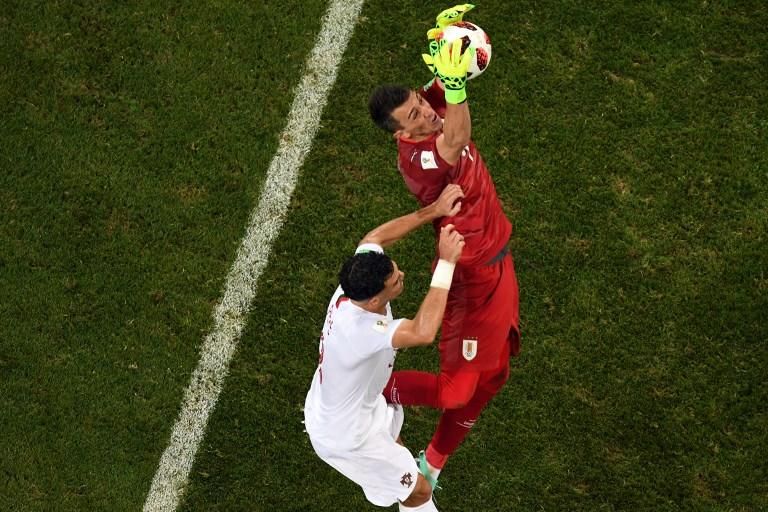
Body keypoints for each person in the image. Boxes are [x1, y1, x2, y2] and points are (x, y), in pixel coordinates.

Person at [367, 4, 521, 489]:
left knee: (495, 375)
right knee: (456, 392)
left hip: (498, 262)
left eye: (421, 100)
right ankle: (373, 388)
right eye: (415, 114)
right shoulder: (421, 158)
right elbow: (457, 135)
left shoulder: (425, 112)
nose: (427, 111)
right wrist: (454, 86)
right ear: (402, 134)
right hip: (471, 277)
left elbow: (441, 88)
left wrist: (446, 45)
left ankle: (432, 462)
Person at [304, 184, 466, 512]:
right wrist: (447, 263)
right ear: (376, 299)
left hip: (354, 408)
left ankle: (386, 481)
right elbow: (422, 332)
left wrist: (434, 210)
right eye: (396, 281)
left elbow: (374, 238)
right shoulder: (361, 331)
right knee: (418, 490)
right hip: (348, 437)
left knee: (397, 458)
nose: (402, 275)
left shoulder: (357, 286)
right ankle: (394, 486)